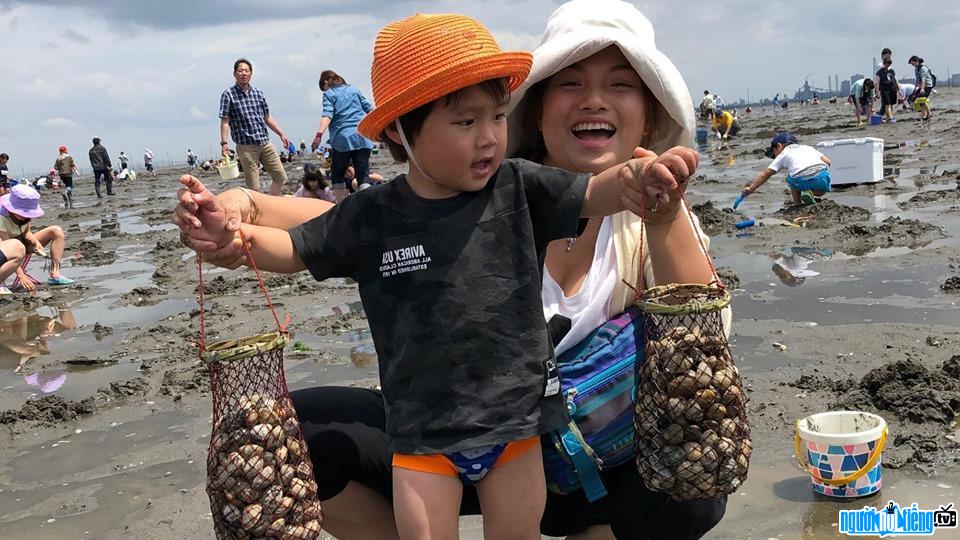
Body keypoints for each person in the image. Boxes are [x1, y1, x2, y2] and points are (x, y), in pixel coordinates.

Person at [173, 2, 725, 538]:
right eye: (572, 82)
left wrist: (650, 195)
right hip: (427, 430)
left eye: (621, 84)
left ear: (650, 110)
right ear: (399, 133)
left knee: (681, 468)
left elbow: (699, 346)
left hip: (545, 438)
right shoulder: (389, 212)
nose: (487, 135)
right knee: (301, 430)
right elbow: (311, 239)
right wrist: (239, 228)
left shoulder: (526, 189)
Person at [219, 58, 290, 195]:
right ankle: (256, 213)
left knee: (280, 177)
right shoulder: (228, 94)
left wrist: (281, 134)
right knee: (254, 188)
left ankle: (270, 204)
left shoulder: (258, 93)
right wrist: (224, 143)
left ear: (251, 74)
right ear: (234, 74)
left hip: (265, 142)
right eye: (240, 71)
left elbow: (267, 117)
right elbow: (225, 120)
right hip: (246, 146)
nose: (244, 73)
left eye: (246, 71)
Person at [311, 70, 375, 201]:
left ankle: (339, 206)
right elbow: (369, 109)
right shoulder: (354, 90)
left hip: (342, 139)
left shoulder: (329, 94)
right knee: (363, 175)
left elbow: (327, 115)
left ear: (325, 83)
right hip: (362, 137)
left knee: (338, 173)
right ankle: (368, 204)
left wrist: (318, 135)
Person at [0, 184, 75, 291]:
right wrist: (21, 276)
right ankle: (1, 282)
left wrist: (35, 242)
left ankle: (55, 274)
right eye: (22, 213)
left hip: (21, 242)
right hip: (8, 249)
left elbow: (27, 233)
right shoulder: (2, 218)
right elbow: (7, 249)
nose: (25, 216)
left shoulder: (25, 218)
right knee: (14, 247)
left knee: (56, 231)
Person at [743, 132, 831, 206]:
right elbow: (828, 161)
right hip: (822, 180)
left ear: (779, 146)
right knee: (820, 187)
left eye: (774, 151)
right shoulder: (807, 147)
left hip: (800, 180)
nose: (775, 155)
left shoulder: (783, 154)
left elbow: (765, 174)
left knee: (791, 177)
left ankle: (797, 202)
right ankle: (811, 192)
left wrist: (751, 189)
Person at [908, 55, 933, 121]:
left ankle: (929, 114)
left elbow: (923, 79)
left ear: (917, 61)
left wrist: (922, 89)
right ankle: (924, 115)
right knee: (917, 100)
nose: (912, 65)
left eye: (913, 63)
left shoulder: (923, 68)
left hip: (927, 86)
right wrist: (915, 89)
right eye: (911, 64)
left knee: (921, 100)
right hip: (921, 86)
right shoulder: (917, 68)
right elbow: (917, 80)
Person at [875, 58, 899, 123]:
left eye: (889, 64)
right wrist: (877, 92)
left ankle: (890, 117)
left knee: (891, 104)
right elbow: (877, 82)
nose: (888, 65)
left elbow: (895, 80)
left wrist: (898, 88)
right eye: (887, 63)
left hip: (892, 88)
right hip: (885, 89)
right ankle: (889, 118)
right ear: (884, 63)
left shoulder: (892, 71)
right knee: (887, 104)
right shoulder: (880, 72)